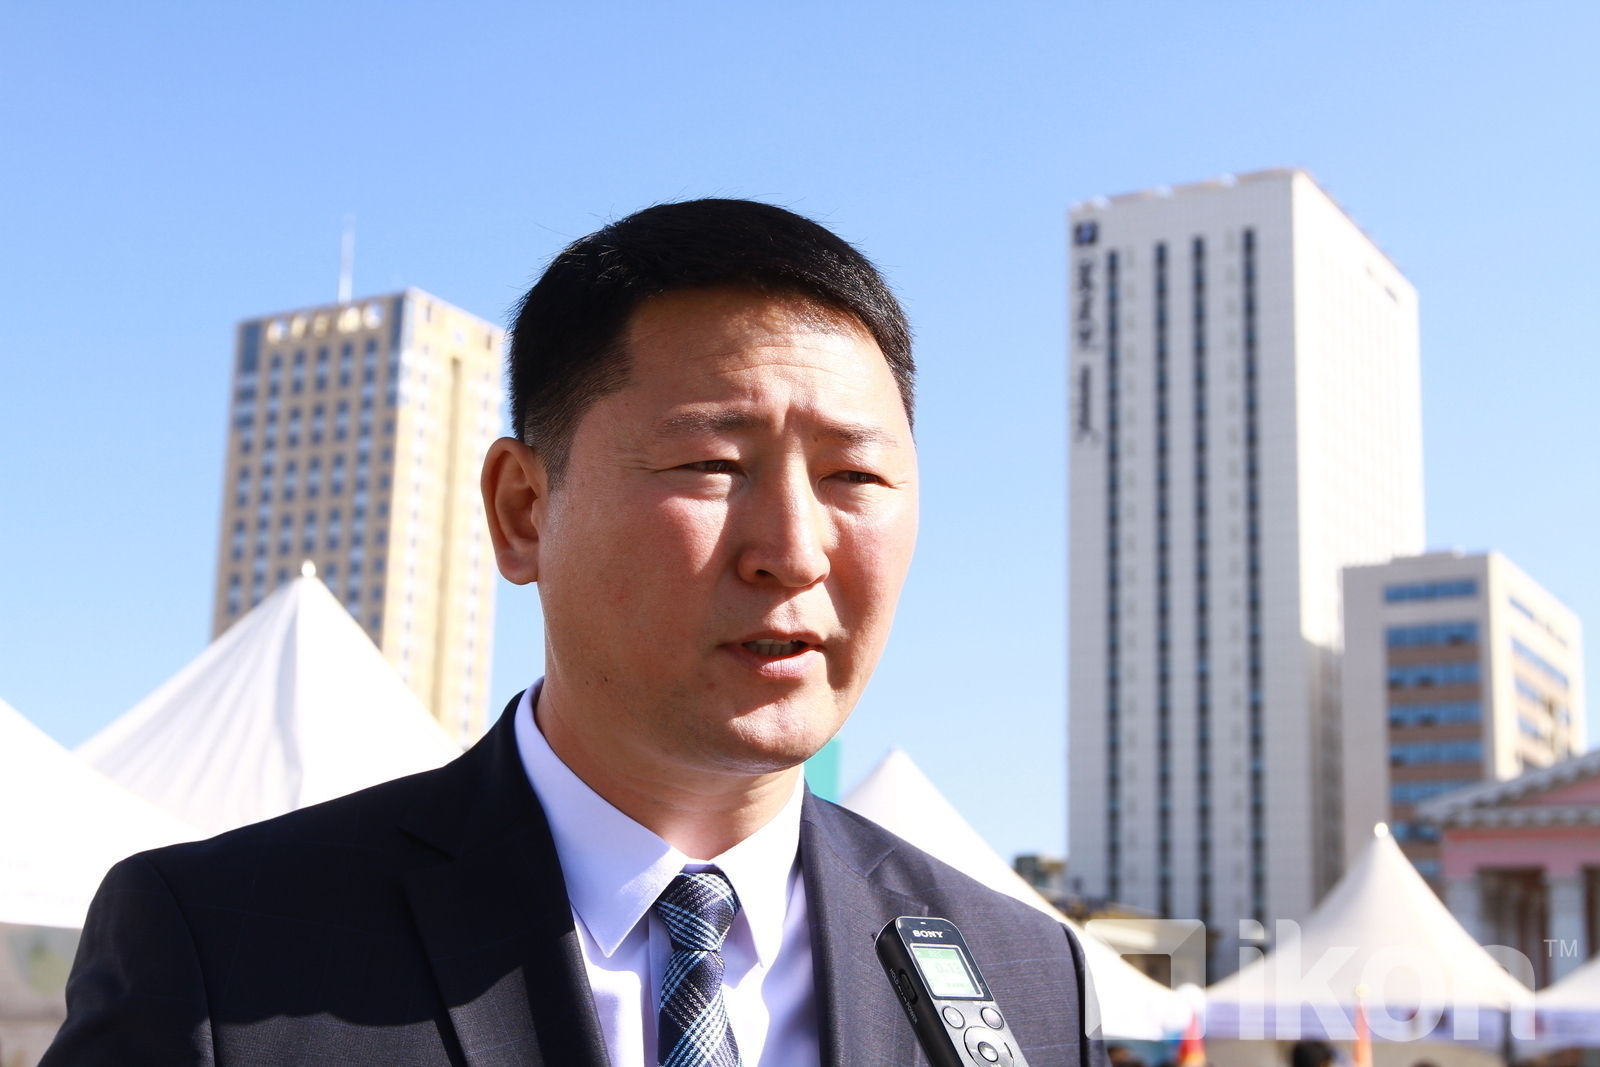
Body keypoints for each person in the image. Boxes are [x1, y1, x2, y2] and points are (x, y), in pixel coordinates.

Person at [45, 199, 1101, 1065]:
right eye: (711, 464)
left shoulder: (1025, 974)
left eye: (855, 476)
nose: (792, 550)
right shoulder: (224, 948)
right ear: (522, 509)